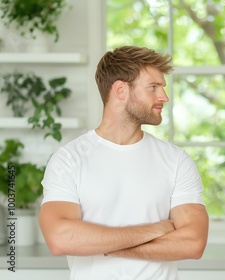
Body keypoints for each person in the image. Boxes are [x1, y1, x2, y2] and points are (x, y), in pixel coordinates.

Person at [39, 46, 209, 280]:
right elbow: (60, 238)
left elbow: (193, 243)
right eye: (153, 87)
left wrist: (101, 244)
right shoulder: (69, 159)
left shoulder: (175, 160)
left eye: (162, 87)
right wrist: (155, 229)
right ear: (121, 90)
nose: (164, 97)